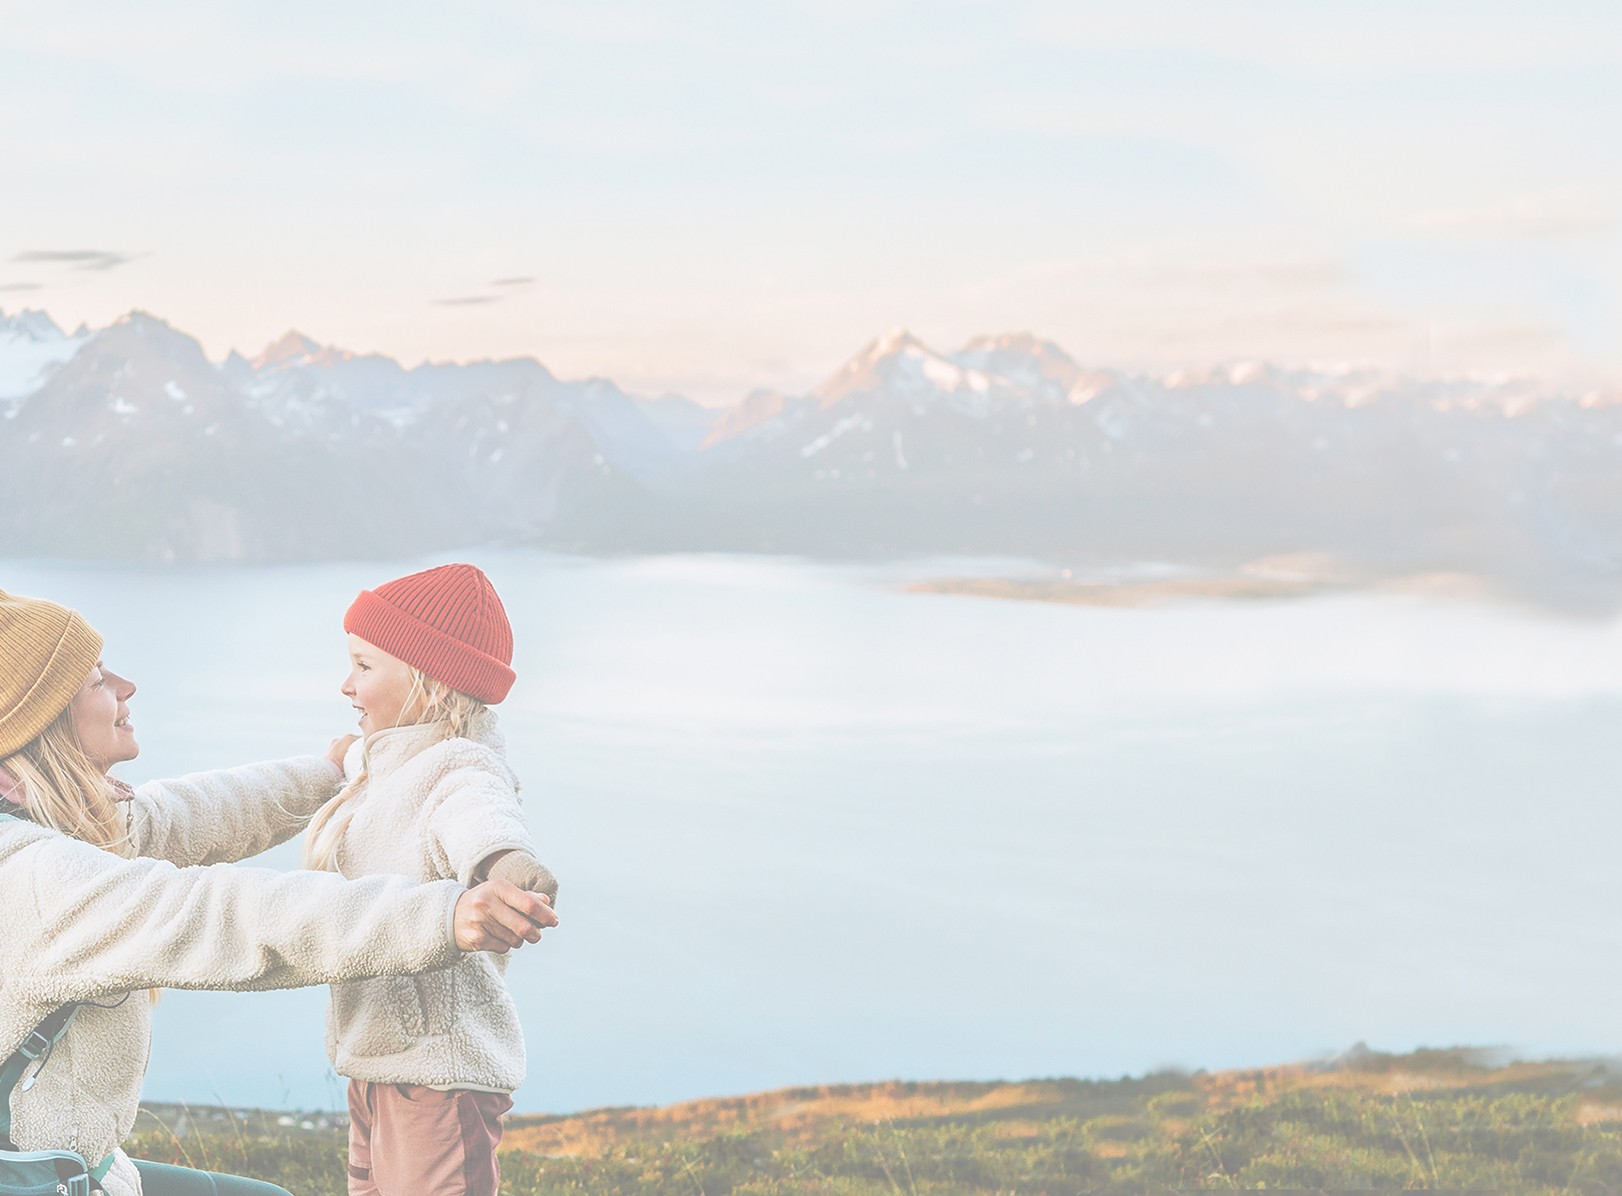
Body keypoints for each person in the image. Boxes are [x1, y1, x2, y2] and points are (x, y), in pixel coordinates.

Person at [0, 588, 559, 1196]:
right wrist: (444, 914)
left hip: (90, 1172)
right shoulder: (35, 880)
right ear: (41, 724)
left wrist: (325, 776)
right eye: (95, 680)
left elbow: (193, 813)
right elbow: (227, 916)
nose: (126, 686)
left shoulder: (58, 826)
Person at [302, 563, 557, 1196]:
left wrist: (509, 871)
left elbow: (482, 817)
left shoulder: (459, 765)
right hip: (377, 1068)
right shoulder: (391, 758)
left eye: (364, 666)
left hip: (439, 1080)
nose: (345, 684)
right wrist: (343, 759)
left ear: (430, 685)